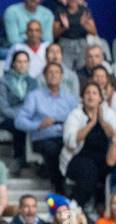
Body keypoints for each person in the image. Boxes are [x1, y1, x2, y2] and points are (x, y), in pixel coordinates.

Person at [17, 61, 77, 190]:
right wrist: (38, 125)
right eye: (50, 72)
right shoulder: (35, 96)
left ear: (62, 76)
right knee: (54, 150)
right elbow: (19, 121)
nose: (53, 75)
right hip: (44, 137)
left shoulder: (69, 97)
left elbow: (79, 117)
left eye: (56, 72)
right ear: (44, 76)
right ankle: (59, 187)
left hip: (66, 136)